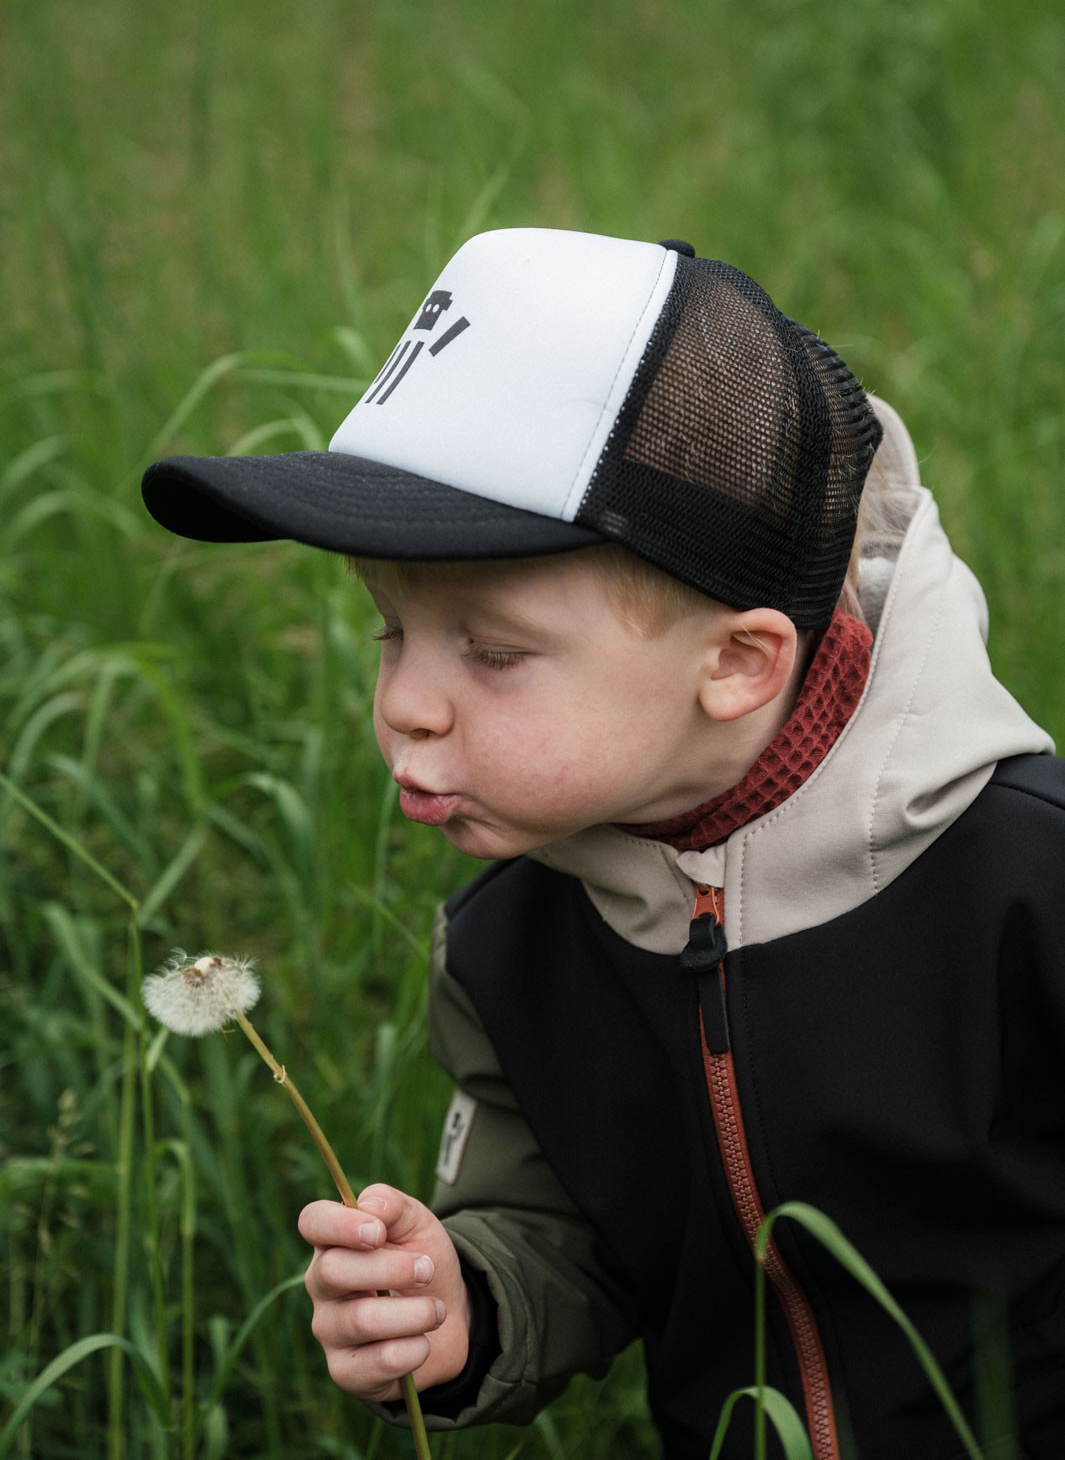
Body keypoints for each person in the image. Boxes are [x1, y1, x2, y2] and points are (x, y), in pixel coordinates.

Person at [142, 228, 1065, 1460]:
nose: (407, 704)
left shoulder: (1022, 883)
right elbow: (563, 1226)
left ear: (736, 664)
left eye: (493, 650)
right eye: (388, 631)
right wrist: (466, 1295)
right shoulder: (511, 942)